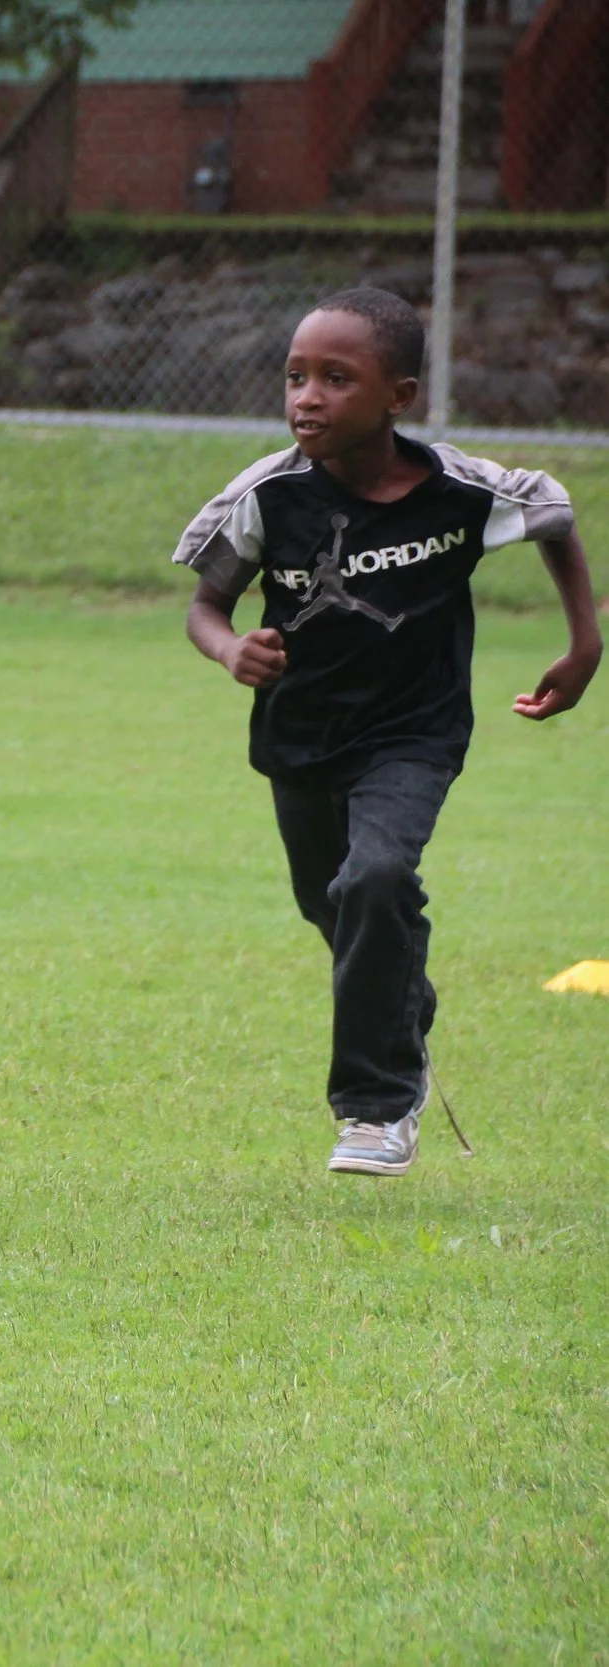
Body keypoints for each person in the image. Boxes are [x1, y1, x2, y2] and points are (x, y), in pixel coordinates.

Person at [175, 285, 597, 1177]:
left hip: (416, 731)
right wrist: (228, 651)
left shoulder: (458, 492)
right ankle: (401, 997)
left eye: (336, 378)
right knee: (330, 902)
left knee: (376, 876)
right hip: (301, 736)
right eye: (295, 377)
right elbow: (206, 604)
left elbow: (552, 510)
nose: (307, 398)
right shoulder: (269, 496)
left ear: (398, 397)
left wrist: (584, 642)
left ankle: (377, 1106)